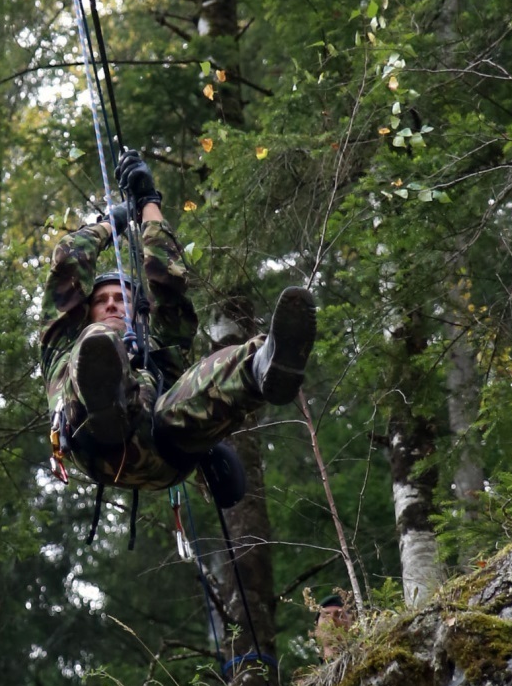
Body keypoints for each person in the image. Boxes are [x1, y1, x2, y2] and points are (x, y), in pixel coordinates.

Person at [43, 148, 316, 494]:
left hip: (166, 447)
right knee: (98, 341)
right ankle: (106, 405)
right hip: (92, 442)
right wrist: (115, 220)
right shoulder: (62, 350)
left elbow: (168, 280)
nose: (111, 303)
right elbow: (69, 260)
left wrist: (148, 203)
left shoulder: (159, 347)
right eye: (100, 300)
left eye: (122, 298)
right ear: (85, 310)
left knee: (208, 373)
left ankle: (265, 365)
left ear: (138, 313)